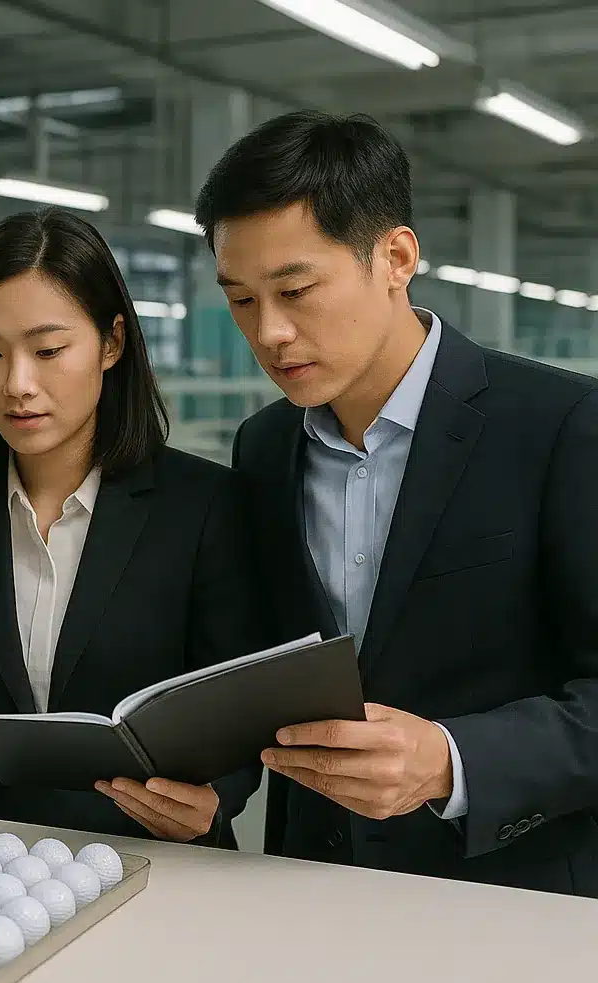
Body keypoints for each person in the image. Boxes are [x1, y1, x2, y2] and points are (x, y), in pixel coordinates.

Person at [202, 111, 598, 895]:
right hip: (311, 886)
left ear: (396, 257)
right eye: (241, 300)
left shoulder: (561, 427)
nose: (270, 333)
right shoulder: (263, 449)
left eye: (296, 290)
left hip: (509, 900)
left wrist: (452, 760)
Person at [0, 209, 266, 844]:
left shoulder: (204, 505)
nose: (17, 384)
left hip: (158, 859)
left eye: (49, 350)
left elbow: (238, 713)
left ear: (111, 343)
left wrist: (218, 797)